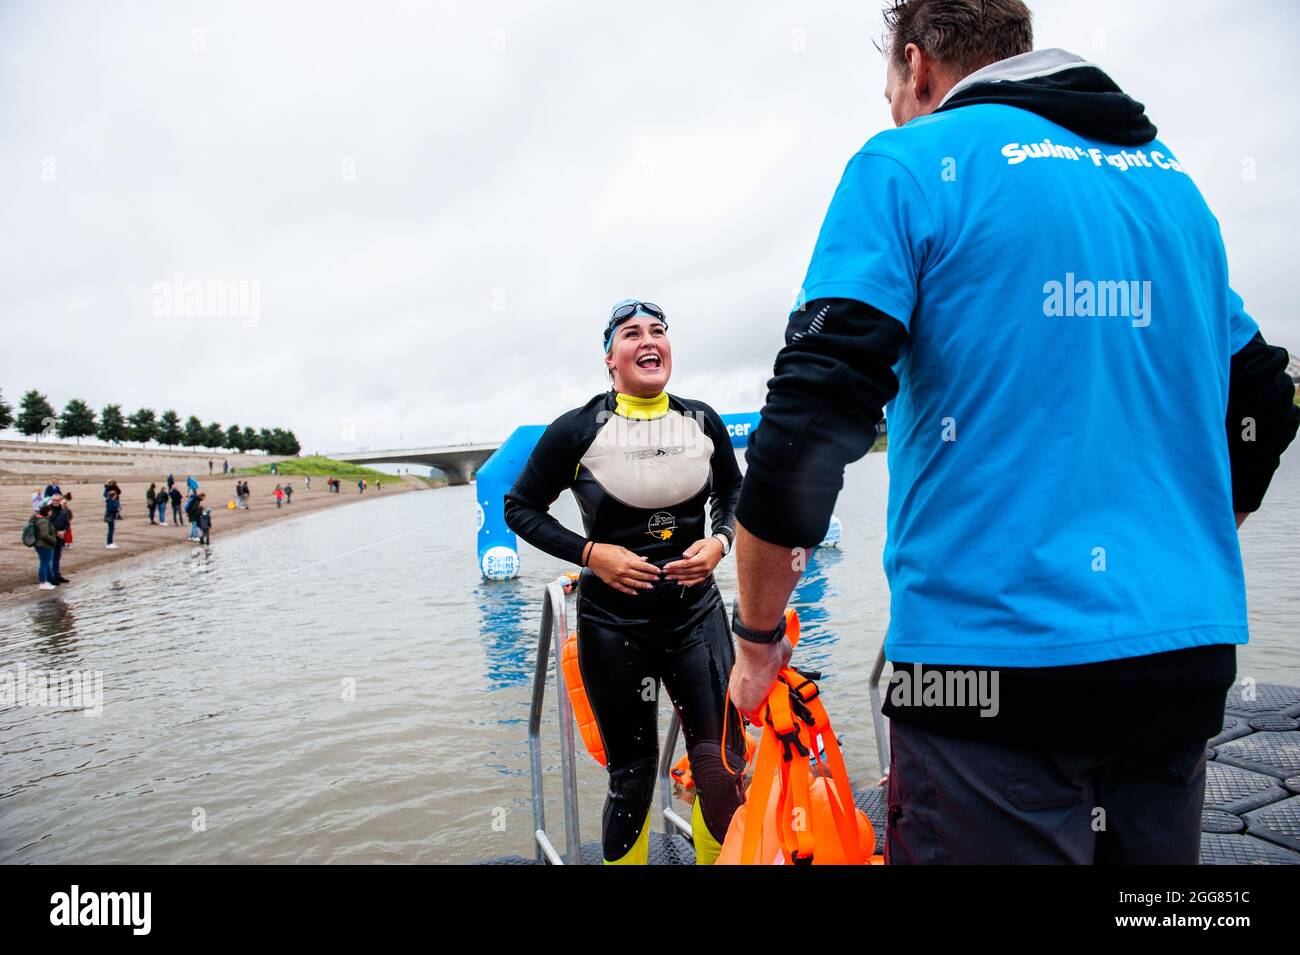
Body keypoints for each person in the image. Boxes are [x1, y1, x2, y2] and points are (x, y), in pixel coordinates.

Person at [726, 0, 1300, 866]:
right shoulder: (1174, 191)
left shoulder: (909, 164)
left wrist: (760, 638)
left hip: (985, 684)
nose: (894, 111)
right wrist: (1188, 547)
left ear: (918, 68)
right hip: (1180, 667)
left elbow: (810, 416)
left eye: (893, 92)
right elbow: (1264, 393)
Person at [504, 298, 744, 865]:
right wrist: (591, 554)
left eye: (658, 331)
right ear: (610, 358)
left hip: (695, 615)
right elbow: (521, 507)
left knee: (719, 769)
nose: (648, 341)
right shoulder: (577, 430)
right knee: (632, 780)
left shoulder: (702, 421)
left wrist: (720, 542)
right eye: (631, 334)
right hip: (614, 624)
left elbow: (733, 492)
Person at [27, 504, 59, 590]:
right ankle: (43, 583)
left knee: (45, 563)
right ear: (48, 512)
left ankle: (45, 581)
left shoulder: (37, 519)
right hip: (44, 545)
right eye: (50, 511)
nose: (51, 512)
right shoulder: (43, 521)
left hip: (40, 545)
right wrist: (53, 540)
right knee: (44, 564)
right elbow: (44, 534)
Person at [47, 493, 71, 584]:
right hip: (50, 537)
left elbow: (67, 522)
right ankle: (50, 578)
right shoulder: (48, 510)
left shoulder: (63, 510)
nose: (55, 502)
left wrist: (64, 531)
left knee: (57, 557)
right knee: (50, 558)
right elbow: (46, 524)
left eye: (57, 500)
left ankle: (57, 575)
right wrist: (57, 532)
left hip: (61, 537)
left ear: (60, 500)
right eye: (53, 500)